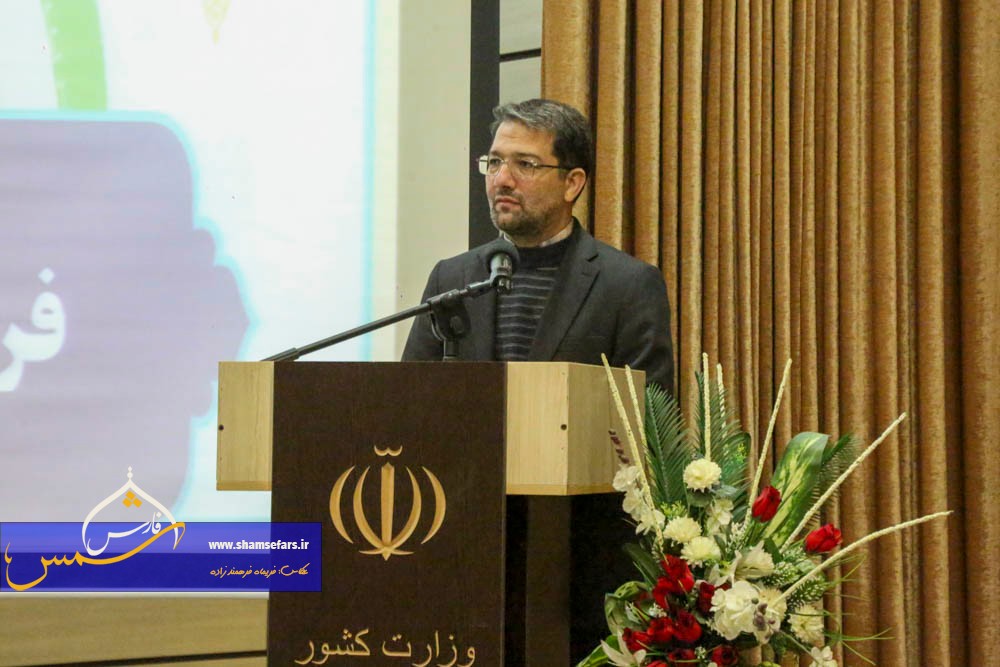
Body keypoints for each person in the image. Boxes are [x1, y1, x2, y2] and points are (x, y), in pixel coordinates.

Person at [402, 98, 674, 661]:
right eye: (494, 162)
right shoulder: (454, 277)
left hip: (577, 561)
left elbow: (650, 421)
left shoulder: (627, 285)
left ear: (573, 182)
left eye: (524, 164)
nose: (501, 179)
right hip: (461, 551)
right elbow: (408, 400)